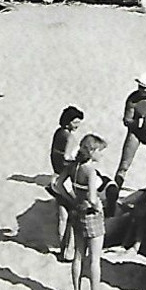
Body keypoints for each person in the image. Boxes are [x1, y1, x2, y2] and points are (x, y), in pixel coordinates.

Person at [67, 133, 110, 290]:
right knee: (94, 260)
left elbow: (58, 184)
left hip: (77, 212)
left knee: (78, 255)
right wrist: (99, 206)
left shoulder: (74, 167)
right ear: (92, 151)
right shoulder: (90, 171)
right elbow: (93, 197)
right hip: (91, 216)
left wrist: (73, 199)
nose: (101, 154)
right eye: (99, 151)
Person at [49, 106, 85, 261]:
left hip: (56, 176)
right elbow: (68, 157)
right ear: (69, 121)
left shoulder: (58, 133)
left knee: (61, 216)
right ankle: (67, 250)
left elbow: (54, 155)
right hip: (67, 179)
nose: (78, 125)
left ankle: (61, 247)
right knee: (70, 216)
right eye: (76, 122)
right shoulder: (71, 138)